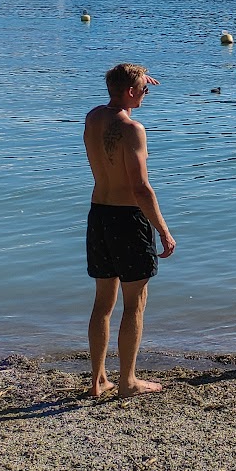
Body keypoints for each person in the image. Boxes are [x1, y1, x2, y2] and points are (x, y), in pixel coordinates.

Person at [83, 63, 175, 397]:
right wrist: (163, 230)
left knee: (102, 303)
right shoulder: (133, 129)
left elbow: (120, 85)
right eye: (143, 90)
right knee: (134, 304)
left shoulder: (93, 118)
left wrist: (134, 81)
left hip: (99, 215)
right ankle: (127, 382)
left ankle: (97, 381)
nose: (146, 94)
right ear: (131, 92)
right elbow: (141, 189)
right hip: (128, 220)